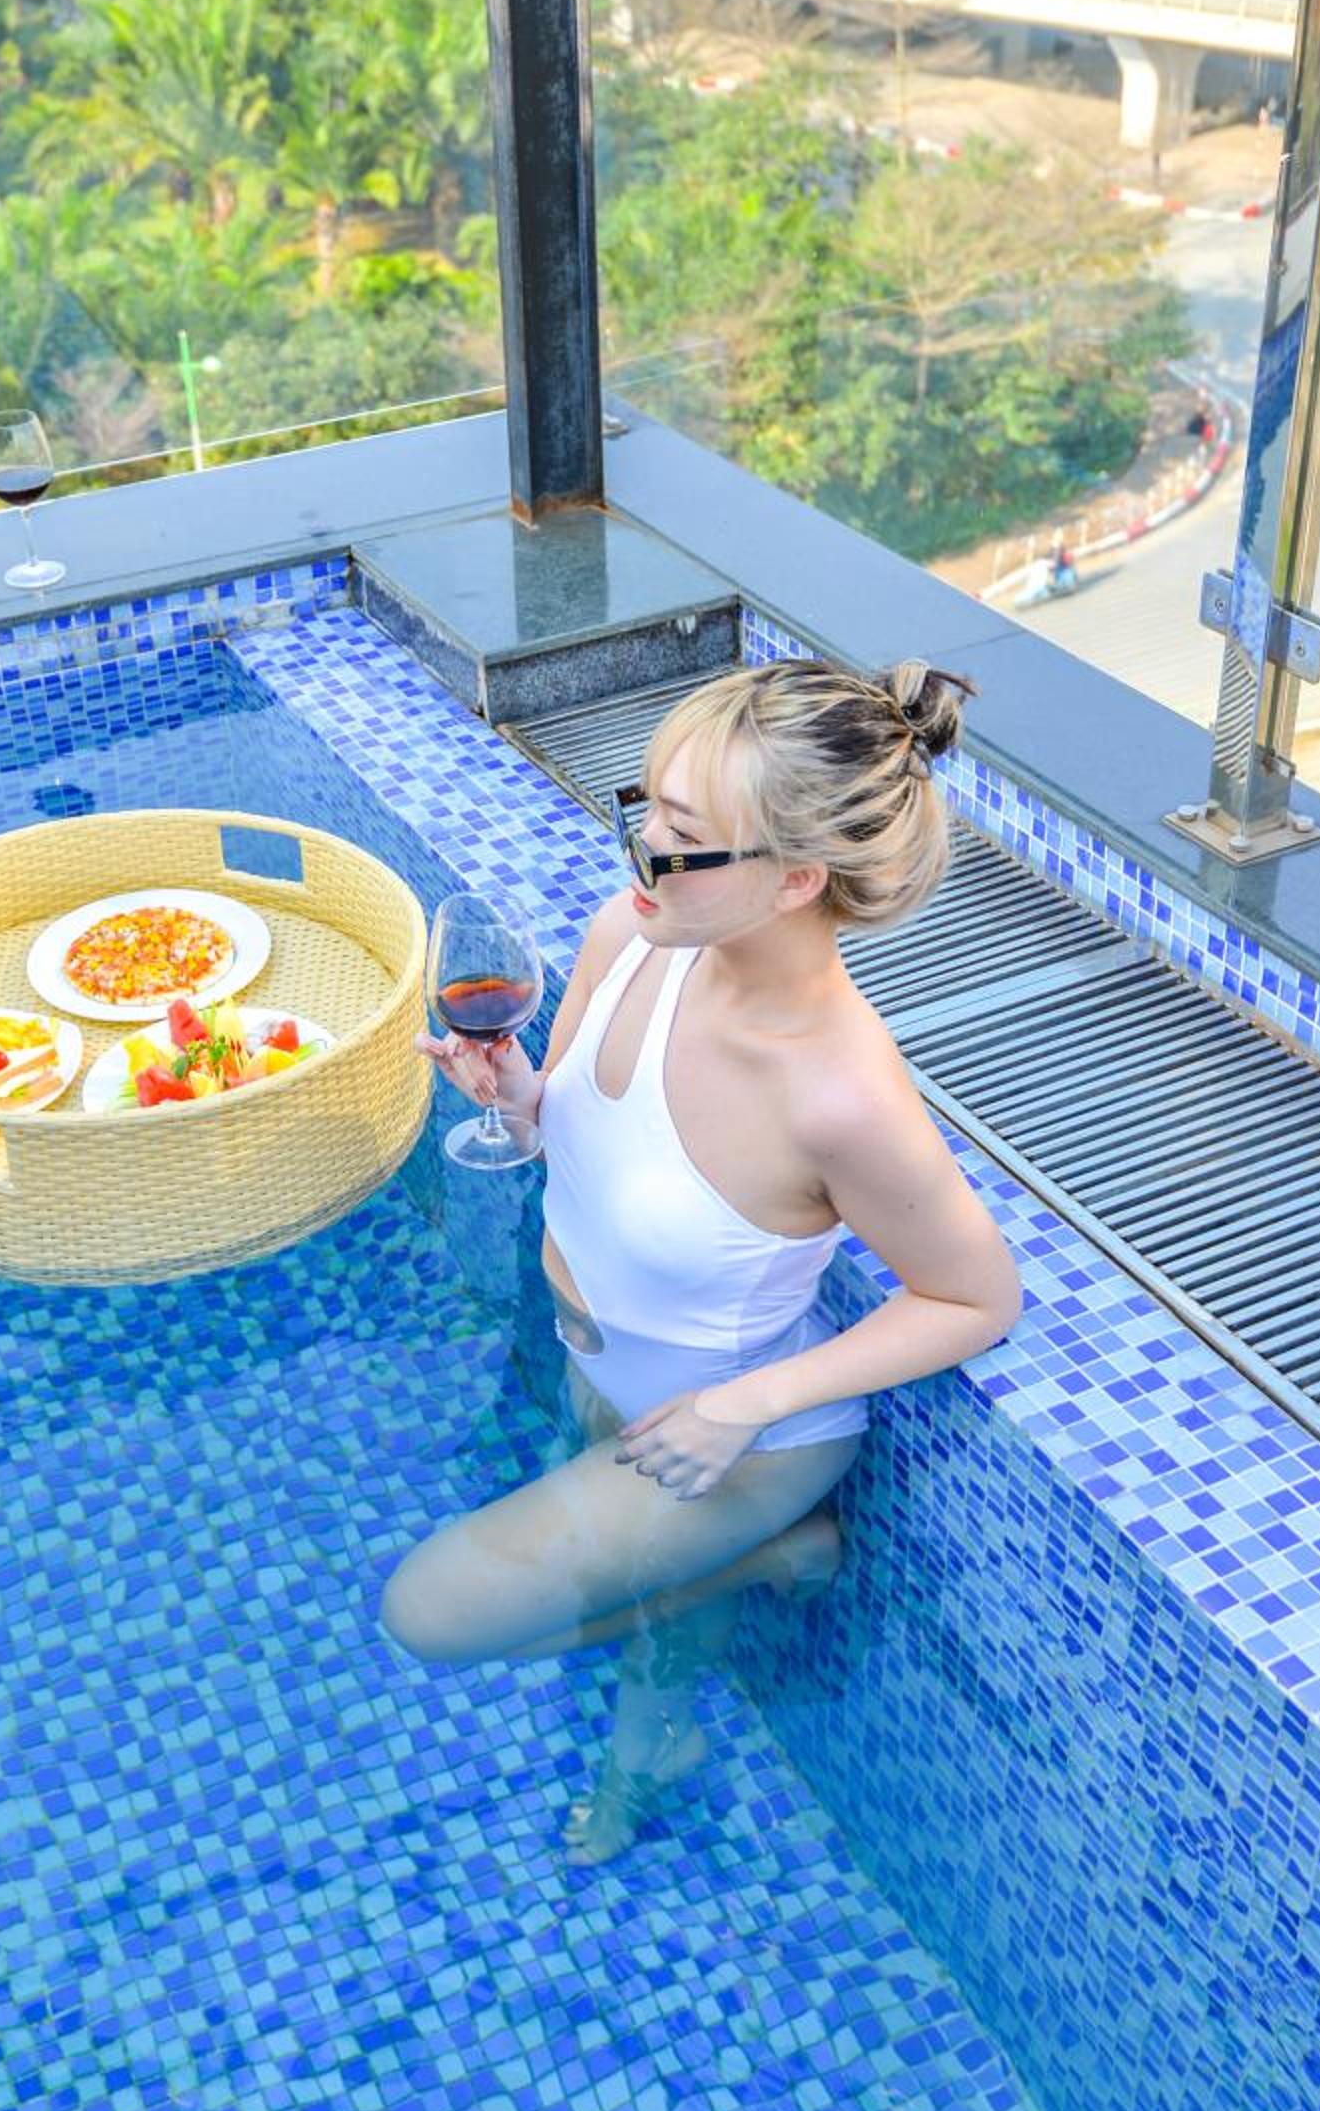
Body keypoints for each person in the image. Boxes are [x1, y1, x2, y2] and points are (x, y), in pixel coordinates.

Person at [383, 659, 1024, 1864]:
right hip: (603, 1372)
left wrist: (744, 1406)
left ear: (795, 880)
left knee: (425, 1613)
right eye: (645, 810)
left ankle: (770, 1548)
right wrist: (520, 1100)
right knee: (629, 1618)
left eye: (679, 837)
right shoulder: (633, 935)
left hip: (731, 1435)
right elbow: (595, 1143)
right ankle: (676, 1706)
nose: (638, 852)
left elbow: (975, 1297)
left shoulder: (835, 1094)